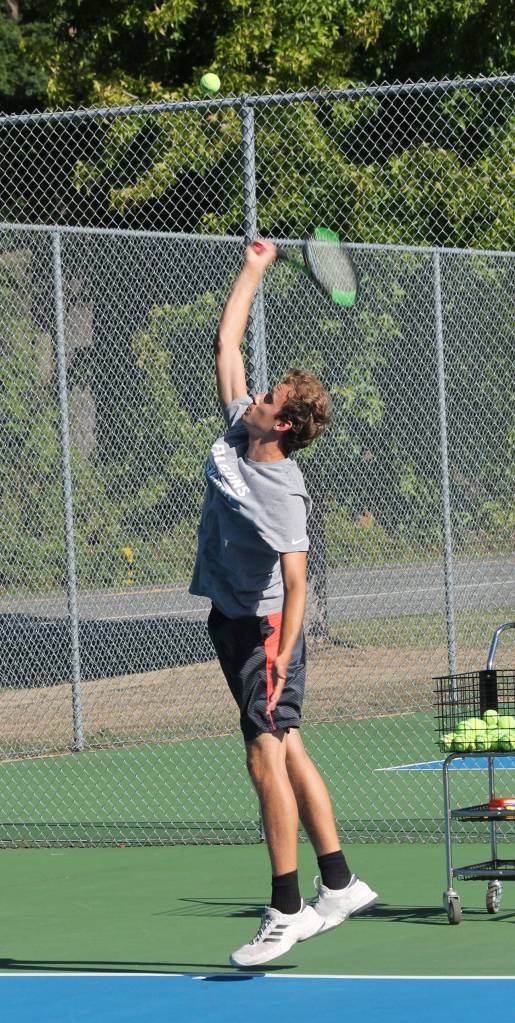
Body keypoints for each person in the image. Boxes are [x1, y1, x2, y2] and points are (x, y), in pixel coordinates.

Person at [189, 239, 377, 968]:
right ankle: (338, 883)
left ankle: (285, 906)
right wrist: (256, 266)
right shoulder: (242, 428)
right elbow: (225, 341)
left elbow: (298, 583)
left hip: (265, 628)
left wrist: (279, 657)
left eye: (269, 399)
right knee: (287, 743)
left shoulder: (282, 490)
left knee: (264, 755)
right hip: (232, 618)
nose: (256, 395)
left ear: (285, 426)